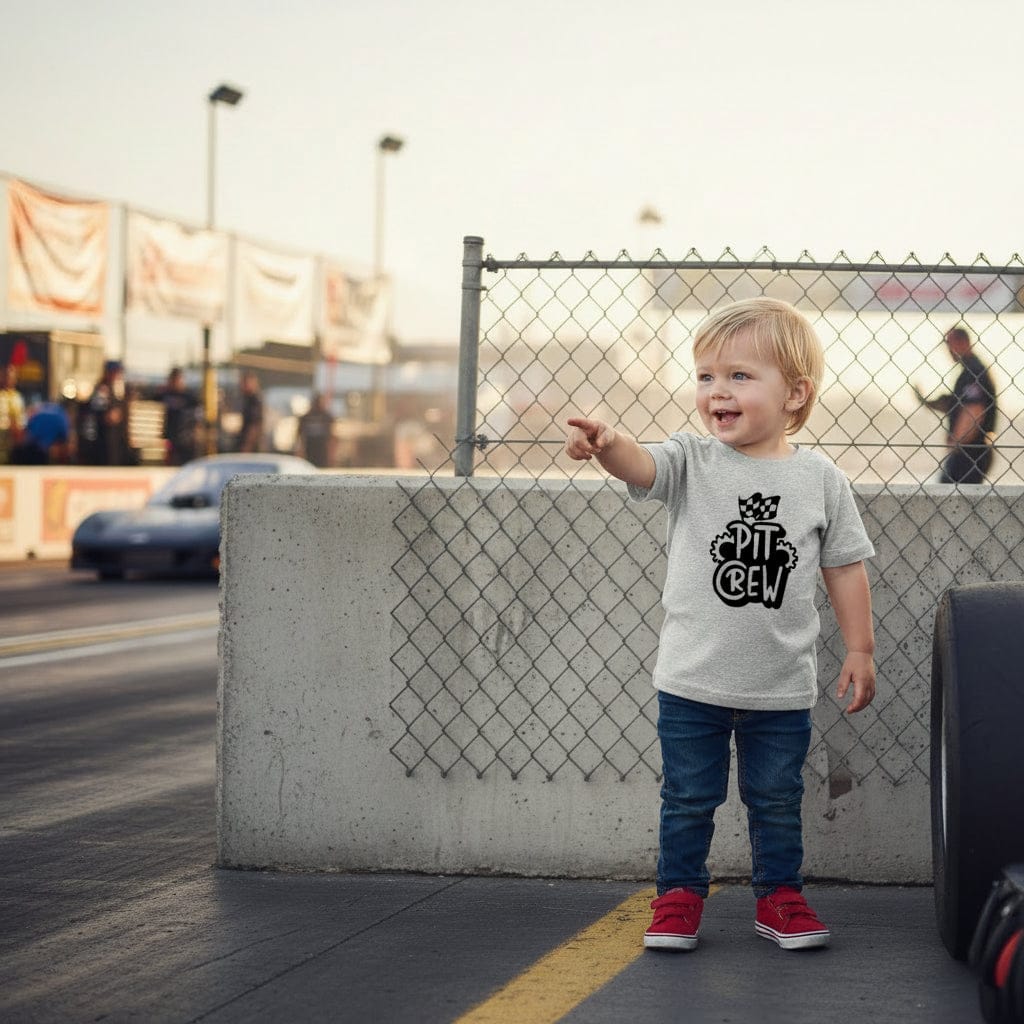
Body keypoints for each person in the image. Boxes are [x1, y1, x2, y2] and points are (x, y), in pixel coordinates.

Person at [564, 297, 876, 953]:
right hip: (692, 681)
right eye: (706, 376)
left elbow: (845, 567)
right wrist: (608, 445)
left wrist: (860, 648)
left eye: (738, 375)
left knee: (775, 801)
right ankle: (678, 897)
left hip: (779, 687)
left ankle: (780, 898)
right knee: (687, 800)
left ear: (795, 394)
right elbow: (641, 467)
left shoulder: (819, 479)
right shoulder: (691, 460)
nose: (716, 391)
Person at [914, 326, 998, 484]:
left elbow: (973, 411)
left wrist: (956, 441)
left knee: (950, 494)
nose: (949, 350)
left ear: (963, 342)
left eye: (950, 344)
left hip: (971, 451)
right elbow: (955, 404)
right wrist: (927, 402)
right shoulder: (970, 371)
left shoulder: (974, 371)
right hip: (970, 450)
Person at [78, 360, 133, 466]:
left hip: (118, 442)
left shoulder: (119, 390)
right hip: (104, 443)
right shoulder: (102, 390)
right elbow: (97, 415)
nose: (117, 375)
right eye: (115, 372)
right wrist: (108, 416)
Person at [161, 367, 199, 466]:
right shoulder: (162, 396)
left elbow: (197, 417)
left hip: (185, 441)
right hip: (167, 441)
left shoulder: (190, 398)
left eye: (178, 379)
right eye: (173, 379)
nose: (175, 382)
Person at [296, 392, 335, 468]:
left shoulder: (326, 417)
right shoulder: (306, 418)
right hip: (310, 449)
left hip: (322, 449)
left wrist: (331, 453)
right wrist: (299, 451)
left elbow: (332, 435)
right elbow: (299, 435)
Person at [0, 364, 27, 464]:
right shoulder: (1, 396)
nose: (9, 380)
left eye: (12, 377)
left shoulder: (17, 397)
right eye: (7, 377)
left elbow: (20, 418)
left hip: (13, 436)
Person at [238, 371, 264, 453]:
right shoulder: (246, 399)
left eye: (245, 383)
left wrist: (247, 446)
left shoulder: (254, 401)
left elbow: (255, 425)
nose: (242, 386)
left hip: (252, 447)